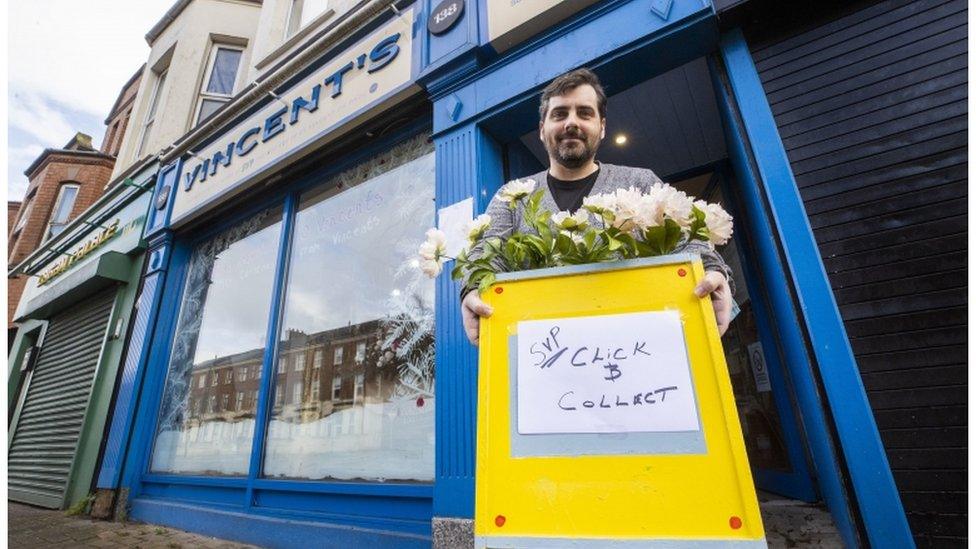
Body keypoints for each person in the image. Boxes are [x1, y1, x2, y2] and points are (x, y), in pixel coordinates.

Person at [460, 68, 734, 345]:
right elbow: (486, 253)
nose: (571, 122)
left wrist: (714, 270)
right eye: (559, 114)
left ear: (602, 127)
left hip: (635, 349)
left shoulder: (639, 182)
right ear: (542, 130)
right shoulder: (511, 196)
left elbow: (688, 242)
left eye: (584, 112)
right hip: (545, 355)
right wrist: (471, 289)